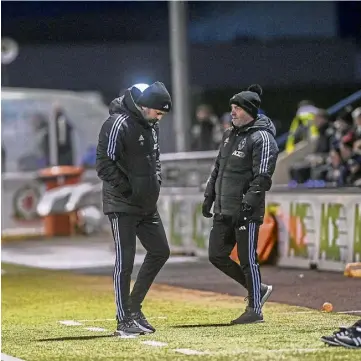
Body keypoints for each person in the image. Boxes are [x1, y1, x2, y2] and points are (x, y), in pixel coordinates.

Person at [96, 82, 172, 336]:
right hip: (122, 204)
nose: (159, 118)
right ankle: (122, 320)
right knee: (125, 261)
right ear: (145, 106)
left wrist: (155, 184)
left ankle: (133, 307)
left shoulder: (151, 126)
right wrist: (129, 190)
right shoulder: (117, 123)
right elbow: (104, 165)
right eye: (158, 112)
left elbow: (156, 159)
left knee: (160, 251)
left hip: (145, 204)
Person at [202, 84, 279, 324]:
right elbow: (218, 169)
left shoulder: (262, 138)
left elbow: (263, 176)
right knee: (216, 255)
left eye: (236, 108)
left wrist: (248, 204)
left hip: (246, 211)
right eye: (231, 108)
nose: (232, 112)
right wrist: (209, 197)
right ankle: (260, 289)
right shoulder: (229, 135)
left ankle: (255, 309)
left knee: (248, 260)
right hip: (224, 209)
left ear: (249, 110)